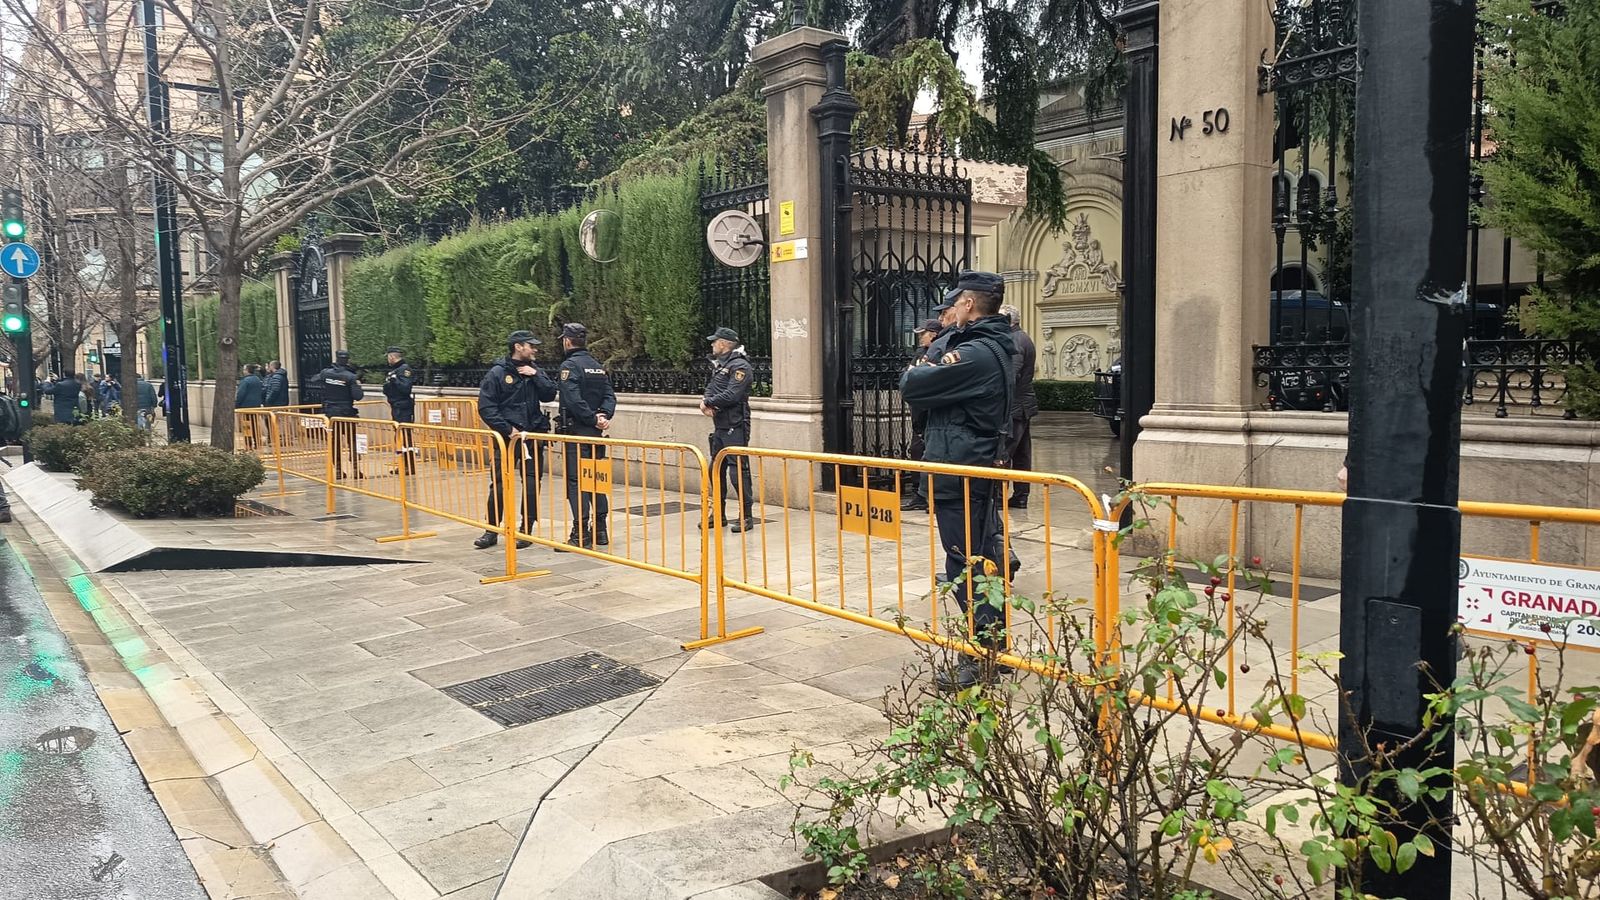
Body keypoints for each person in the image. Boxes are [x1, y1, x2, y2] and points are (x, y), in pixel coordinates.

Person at [900, 270, 1019, 691]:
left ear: (968, 303)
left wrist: (927, 360)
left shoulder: (976, 353)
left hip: (962, 468)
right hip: (967, 464)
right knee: (980, 560)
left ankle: (980, 656)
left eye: (955, 303)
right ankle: (995, 648)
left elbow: (912, 384)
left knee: (966, 563)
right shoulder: (986, 347)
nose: (950, 311)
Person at [475, 330, 556, 550]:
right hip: (507, 439)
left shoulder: (534, 370)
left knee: (531, 483)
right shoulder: (497, 373)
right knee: (499, 483)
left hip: (532, 437)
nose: (535, 349)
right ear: (518, 347)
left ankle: (526, 529)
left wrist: (535, 375)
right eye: (531, 345)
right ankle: (491, 530)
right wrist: (507, 429)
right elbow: (486, 407)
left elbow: (550, 393)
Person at [555, 323, 617, 549]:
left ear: (567, 341)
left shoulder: (569, 366)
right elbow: (610, 395)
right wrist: (602, 416)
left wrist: (591, 418)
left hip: (577, 431)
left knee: (577, 482)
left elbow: (572, 399)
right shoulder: (597, 366)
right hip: (596, 434)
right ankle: (600, 531)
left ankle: (580, 532)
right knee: (597, 480)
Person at [700, 326, 756, 532]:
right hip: (720, 426)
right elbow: (712, 388)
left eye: (715, 341)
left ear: (724, 343)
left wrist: (709, 402)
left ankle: (746, 517)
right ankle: (719, 514)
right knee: (715, 469)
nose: (712, 344)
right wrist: (707, 401)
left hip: (736, 425)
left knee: (738, 472)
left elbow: (732, 395)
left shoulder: (740, 367)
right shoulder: (721, 365)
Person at [901, 317, 944, 513]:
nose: (920, 337)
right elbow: (908, 378)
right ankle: (919, 495)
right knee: (916, 452)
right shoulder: (920, 354)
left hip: (931, 415)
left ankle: (932, 496)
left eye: (923, 334)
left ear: (934, 335)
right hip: (918, 415)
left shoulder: (941, 352)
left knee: (933, 457)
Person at [1001, 305, 1039, 509]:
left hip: (1015, 405)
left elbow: (1011, 375)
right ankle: (1021, 495)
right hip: (1023, 404)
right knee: (1022, 453)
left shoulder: (1015, 340)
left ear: (1008, 320)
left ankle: (999, 495)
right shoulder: (1022, 337)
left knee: (1005, 450)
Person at [316, 351, 364, 479]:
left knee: (334, 442)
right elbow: (358, 396)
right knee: (352, 441)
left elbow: (315, 380)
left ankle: (338, 470)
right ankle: (355, 469)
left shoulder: (325, 373)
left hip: (331, 413)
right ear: (347, 360)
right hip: (346, 413)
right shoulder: (350, 376)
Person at [383, 346, 417, 475]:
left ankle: (409, 465)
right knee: (399, 437)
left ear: (392, 356)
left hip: (403, 407)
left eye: (388, 357)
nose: (388, 359)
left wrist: (395, 381)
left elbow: (406, 388)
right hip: (395, 406)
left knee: (405, 437)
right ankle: (402, 464)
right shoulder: (394, 370)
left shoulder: (404, 369)